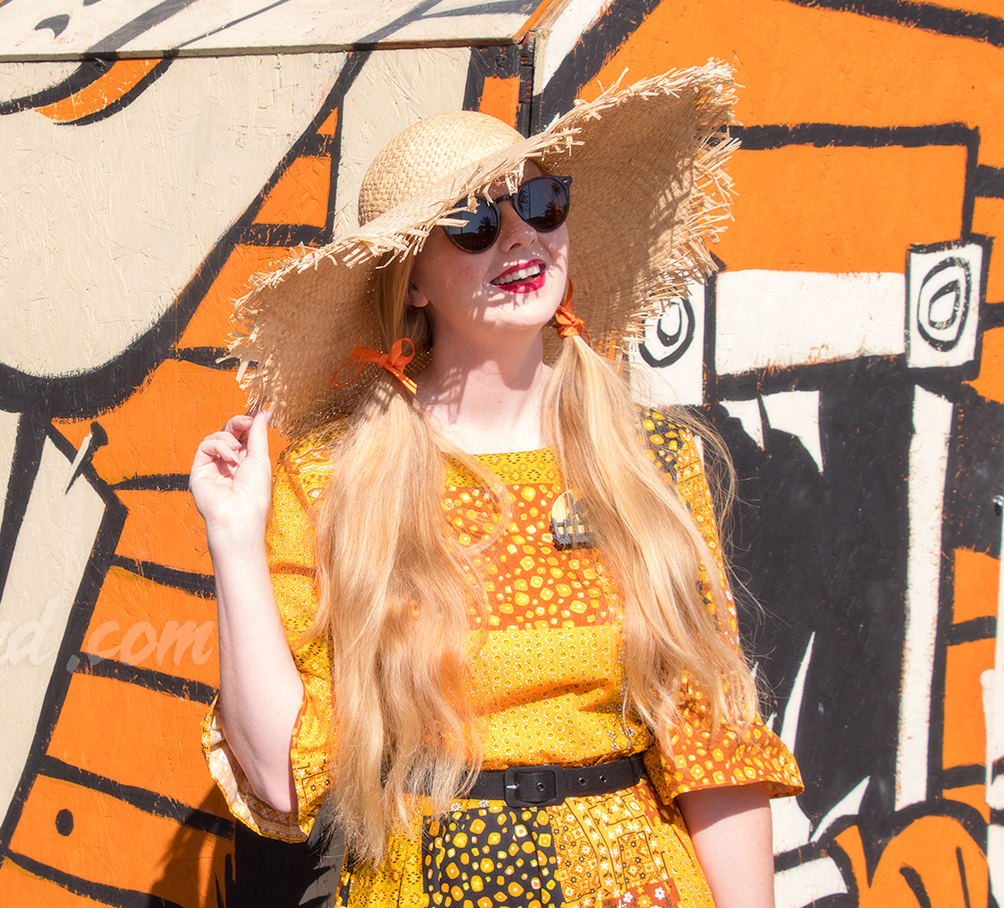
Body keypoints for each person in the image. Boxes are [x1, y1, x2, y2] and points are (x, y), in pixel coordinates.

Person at [190, 63, 802, 908]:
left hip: (634, 884)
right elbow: (284, 779)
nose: (520, 236)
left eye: (542, 203)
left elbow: (710, 739)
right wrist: (232, 536)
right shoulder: (336, 479)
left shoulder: (645, 459)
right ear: (411, 277)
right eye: (474, 220)